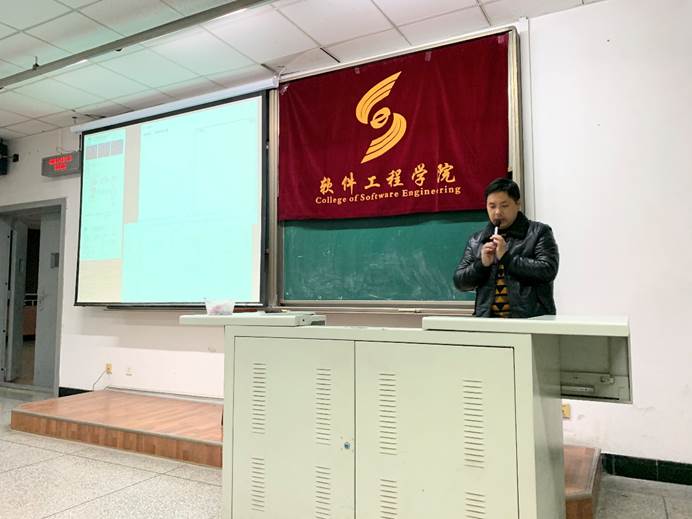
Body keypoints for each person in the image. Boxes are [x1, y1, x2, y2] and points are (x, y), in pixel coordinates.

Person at [454, 177, 559, 318]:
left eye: (504, 206)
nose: (497, 212)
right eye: (492, 206)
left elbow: (548, 270)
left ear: (518, 204)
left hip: (531, 319)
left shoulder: (538, 232)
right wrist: (481, 265)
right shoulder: (477, 240)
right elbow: (460, 282)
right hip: (487, 321)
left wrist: (507, 258)